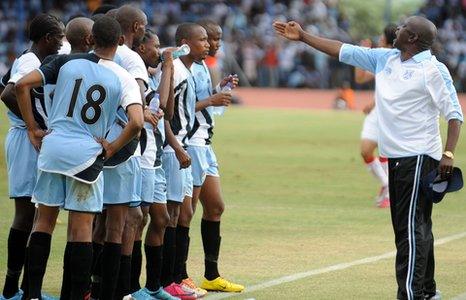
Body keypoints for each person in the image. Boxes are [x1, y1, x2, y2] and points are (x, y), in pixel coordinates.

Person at [273, 16, 462, 300]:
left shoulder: (433, 70)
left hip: (420, 157)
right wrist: (303, 36)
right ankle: (426, 290)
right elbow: (342, 49)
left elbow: (454, 114)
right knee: (415, 226)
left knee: (410, 229)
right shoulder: (385, 58)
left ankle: (410, 294)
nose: (396, 30)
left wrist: (448, 154)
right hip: (396, 158)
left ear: (413, 39)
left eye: (404, 28)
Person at [15, 15, 144, 300]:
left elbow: (21, 86)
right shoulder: (123, 76)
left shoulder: (64, 63)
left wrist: (33, 129)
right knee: (81, 228)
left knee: (43, 222)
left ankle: (31, 294)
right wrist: (111, 147)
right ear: (120, 41)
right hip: (86, 156)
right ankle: (76, 295)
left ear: (91, 39)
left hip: (52, 149)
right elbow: (136, 123)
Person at [175, 19, 244, 294]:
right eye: (209, 39)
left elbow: (202, 104)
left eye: (214, 40)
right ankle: (179, 276)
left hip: (205, 143)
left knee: (215, 207)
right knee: (184, 213)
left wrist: (218, 92)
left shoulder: (202, 66)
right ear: (190, 40)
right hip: (190, 144)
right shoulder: (181, 69)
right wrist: (212, 101)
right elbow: (178, 108)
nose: (214, 44)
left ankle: (211, 275)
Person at [0, 13, 64, 300]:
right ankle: (12, 287)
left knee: (36, 212)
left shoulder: (37, 61)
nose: (63, 42)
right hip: (27, 141)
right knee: (26, 213)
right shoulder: (30, 61)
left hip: (31, 138)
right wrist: (34, 126)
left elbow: (3, 83)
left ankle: (26, 287)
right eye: (59, 36)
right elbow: (8, 93)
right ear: (48, 38)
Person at [91, 5, 148, 300]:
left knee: (89, 221)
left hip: (88, 146)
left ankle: (87, 287)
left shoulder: (83, 61)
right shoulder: (131, 60)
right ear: (135, 28)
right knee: (121, 222)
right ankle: (115, 291)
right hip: (120, 148)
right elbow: (137, 107)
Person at [160, 22, 210, 300]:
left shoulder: (189, 70)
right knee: (171, 216)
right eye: (201, 40)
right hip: (173, 149)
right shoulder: (176, 70)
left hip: (183, 147)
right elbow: (164, 112)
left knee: (182, 214)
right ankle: (169, 280)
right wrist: (177, 147)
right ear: (184, 43)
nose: (207, 45)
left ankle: (178, 276)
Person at [130, 29, 180, 300]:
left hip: (156, 156)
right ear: (141, 49)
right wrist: (169, 66)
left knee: (159, 219)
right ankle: (134, 287)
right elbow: (159, 104)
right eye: (155, 46)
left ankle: (153, 286)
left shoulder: (151, 77)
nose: (159, 52)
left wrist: (167, 72)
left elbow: (167, 111)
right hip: (144, 158)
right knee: (139, 221)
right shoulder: (138, 80)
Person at [355, 24, 397, 208]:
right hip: (376, 111)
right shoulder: (380, 57)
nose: (379, 38)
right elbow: (360, 78)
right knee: (365, 150)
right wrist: (361, 53)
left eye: (381, 36)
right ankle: (386, 183)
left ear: (387, 40)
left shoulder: (400, 60)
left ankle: (390, 191)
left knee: (385, 153)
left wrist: (373, 103)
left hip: (391, 112)